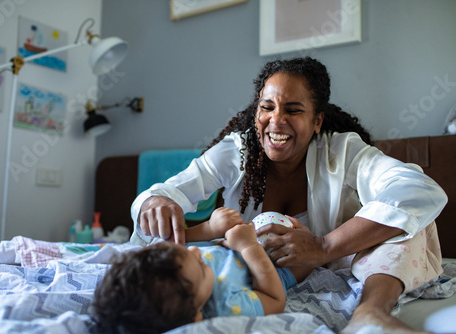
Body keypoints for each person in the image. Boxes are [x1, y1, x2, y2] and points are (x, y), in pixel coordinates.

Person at [130, 57, 448, 333]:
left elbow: (419, 190)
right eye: (266, 107)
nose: (276, 120)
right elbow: (165, 192)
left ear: (317, 120)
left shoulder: (343, 152)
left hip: (345, 262)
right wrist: (156, 201)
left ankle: (371, 314)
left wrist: (325, 246)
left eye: (293, 110)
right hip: (261, 273)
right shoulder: (236, 153)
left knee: (411, 224)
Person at [93, 208, 291, 334]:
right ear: (196, 317)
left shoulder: (170, 267)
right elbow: (275, 299)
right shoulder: (226, 307)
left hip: (236, 240)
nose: (196, 251)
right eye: (202, 268)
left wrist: (210, 228)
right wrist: (249, 247)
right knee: (297, 250)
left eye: (185, 252)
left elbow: (179, 240)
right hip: (272, 266)